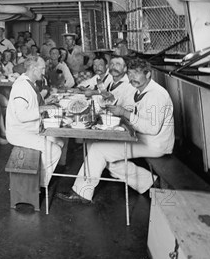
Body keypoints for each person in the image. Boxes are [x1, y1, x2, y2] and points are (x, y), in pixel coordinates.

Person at [56, 58, 174, 203]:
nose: (132, 78)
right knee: (100, 154)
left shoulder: (156, 95)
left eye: (136, 74)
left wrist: (124, 113)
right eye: (130, 74)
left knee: (98, 150)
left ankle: (82, 192)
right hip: (141, 137)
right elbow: (132, 110)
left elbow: (152, 128)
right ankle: (147, 182)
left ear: (148, 74)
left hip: (154, 143)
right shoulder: (140, 89)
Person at [5, 56, 65, 187]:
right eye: (42, 68)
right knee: (55, 151)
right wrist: (43, 108)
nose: (44, 72)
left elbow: (33, 104)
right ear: (33, 68)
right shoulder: (21, 86)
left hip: (30, 129)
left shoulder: (30, 84)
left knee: (59, 141)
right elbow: (21, 115)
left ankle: (43, 172)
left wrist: (47, 103)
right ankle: (38, 185)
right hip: (19, 133)